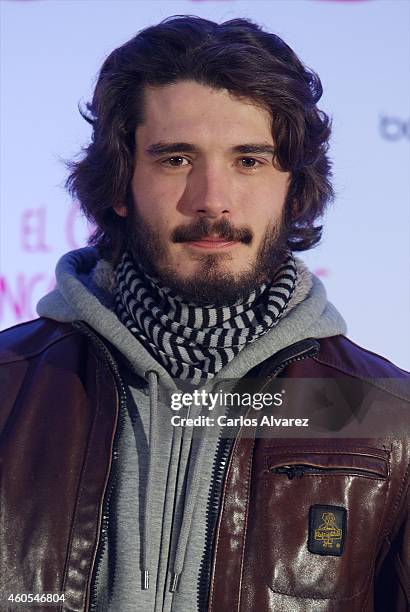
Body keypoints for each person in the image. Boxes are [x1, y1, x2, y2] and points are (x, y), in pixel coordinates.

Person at [0, 15, 408, 612]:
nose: (212, 200)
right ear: (119, 184)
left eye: (249, 161)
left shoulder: (386, 416)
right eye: (176, 160)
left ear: (293, 189)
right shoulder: (11, 388)